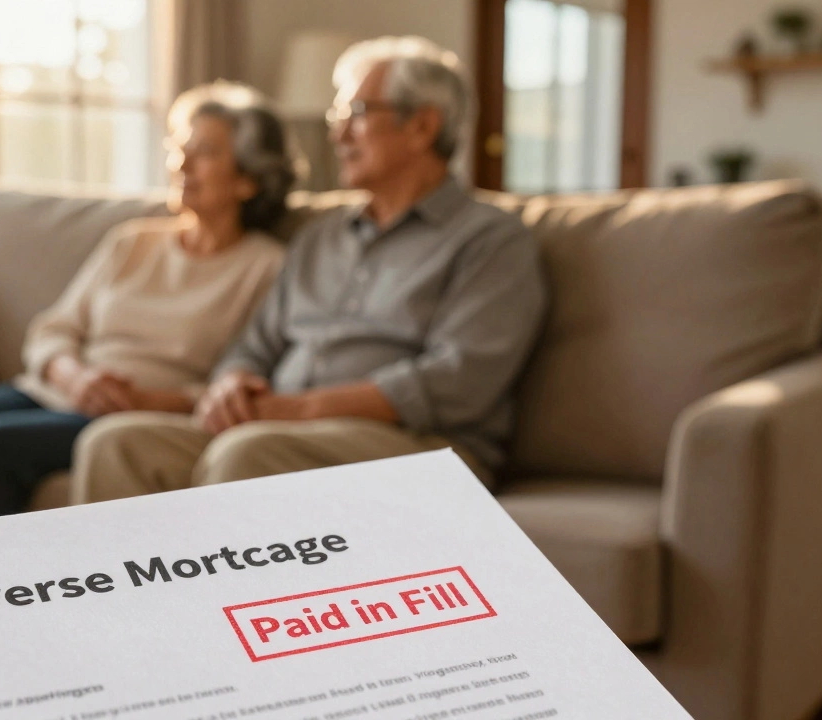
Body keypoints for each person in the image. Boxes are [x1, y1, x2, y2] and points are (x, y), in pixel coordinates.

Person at [70, 37, 548, 504]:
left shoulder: (490, 239)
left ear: (422, 126)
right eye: (337, 117)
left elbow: (458, 379)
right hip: (287, 430)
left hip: (420, 445)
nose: (338, 135)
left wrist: (301, 409)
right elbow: (254, 345)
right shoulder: (321, 235)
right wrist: (233, 382)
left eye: (356, 116)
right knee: (115, 443)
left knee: (247, 454)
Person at [0, 82, 300, 531]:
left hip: (131, 416)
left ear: (248, 178)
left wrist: (144, 399)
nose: (181, 163)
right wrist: (75, 375)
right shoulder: (133, 241)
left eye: (203, 152)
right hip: (57, 390)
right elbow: (54, 329)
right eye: (179, 148)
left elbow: (247, 377)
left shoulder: (266, 268)